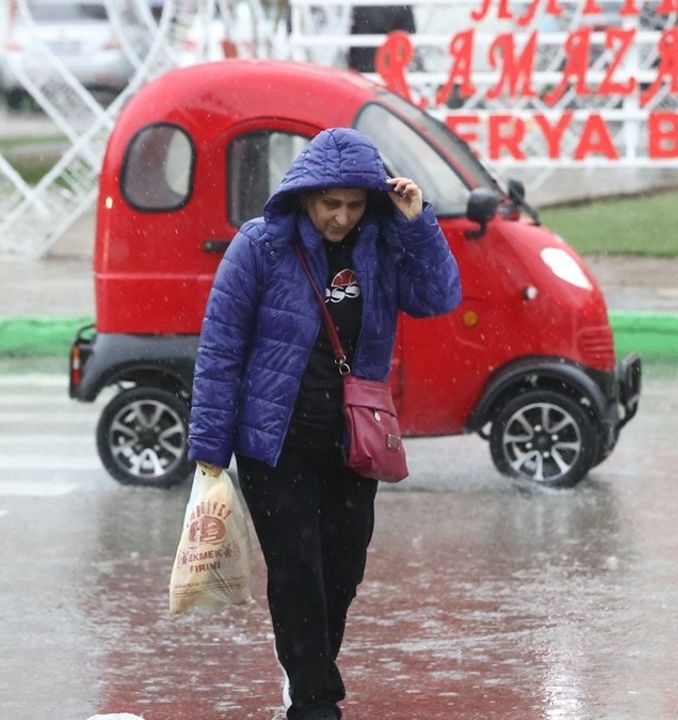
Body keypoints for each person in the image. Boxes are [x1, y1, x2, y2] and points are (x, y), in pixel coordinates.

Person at [189, 127, 461, 720]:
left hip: (353, 441)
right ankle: (315, 700)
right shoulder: (260, 246)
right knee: (297, 570)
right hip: (273, 441)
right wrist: (210, 445)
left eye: (353, 205)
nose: (340, 217)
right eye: (329, 204)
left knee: (343, 569)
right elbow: (221, 348)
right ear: (305, 195)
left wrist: (417, 224)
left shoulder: (383, 247)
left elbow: (439, 296)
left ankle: (306, 666)